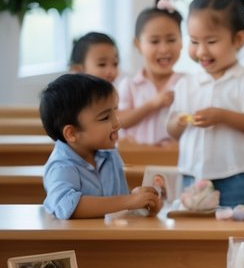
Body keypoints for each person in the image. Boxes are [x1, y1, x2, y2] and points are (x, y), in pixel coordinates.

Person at [166, 0, 244, 207]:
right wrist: (177, 122)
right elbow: (172, 131)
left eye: (211, 41)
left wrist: (223, 116)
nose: (201, 50)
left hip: (240, 175)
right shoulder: (186, 84)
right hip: (194, 174)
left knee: (237, 226)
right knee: (193, 233)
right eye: (194, 41)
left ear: (239, 39)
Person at [40, 73, 162, 219]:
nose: (117, 123)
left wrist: (139, 201)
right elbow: (68, 207)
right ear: (72, 133)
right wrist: (129, 201)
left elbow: (115, 203)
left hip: (112, 236)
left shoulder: (109, 153)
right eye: (105, 117)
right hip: (81, 241)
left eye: (114, 112)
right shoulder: (62, 166)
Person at [117, 0, 184, 146]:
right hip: (135, 161)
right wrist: (153, 104)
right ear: (138, 45)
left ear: (181, 42)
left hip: (173, 162)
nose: (164, 49)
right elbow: (119, 120)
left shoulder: (186, 83)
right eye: (154, 41)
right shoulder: (129, 84)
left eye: (171, 40)